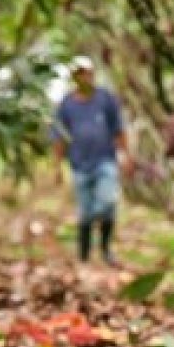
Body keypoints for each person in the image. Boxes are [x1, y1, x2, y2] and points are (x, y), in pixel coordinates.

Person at [51, 56, 133, 267]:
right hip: (79, 164)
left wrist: (124, 156)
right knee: (85, 213)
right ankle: (84, 256)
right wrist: (57, 167)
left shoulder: (105, 98)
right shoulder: (66, 104)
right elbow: (59, 136)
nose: (84, 77)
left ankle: (106, 250)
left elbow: (118, 129)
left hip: (105, 160)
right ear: (74, 77)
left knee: (108, 203)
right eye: (79, 73)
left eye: (87, 72)